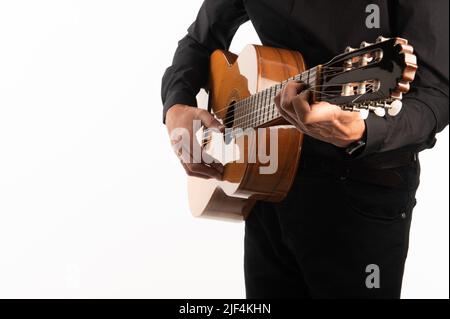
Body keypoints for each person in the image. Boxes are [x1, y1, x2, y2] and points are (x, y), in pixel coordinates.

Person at [161, 0, 449, 298]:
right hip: (267, 178)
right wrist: (176, 106)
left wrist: (364, 131)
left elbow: (436, 95)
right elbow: (199, 39)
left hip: (362, 196)